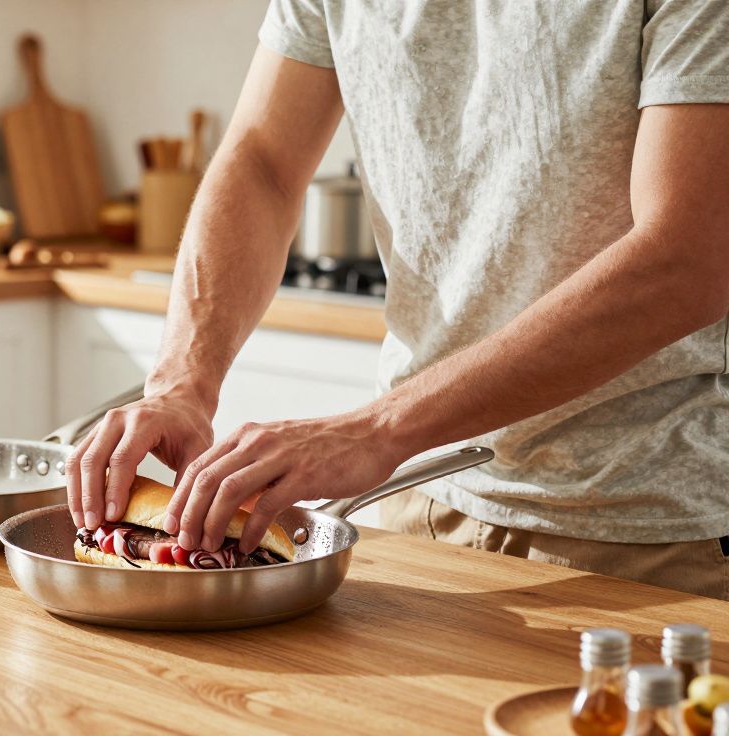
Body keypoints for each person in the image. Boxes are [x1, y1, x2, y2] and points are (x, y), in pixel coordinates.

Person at [67, 0, 729, 598]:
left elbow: (689, 255)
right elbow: (263, 162)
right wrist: (181, 383)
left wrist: (379, 428)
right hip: (417, 504)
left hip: (643, 530)